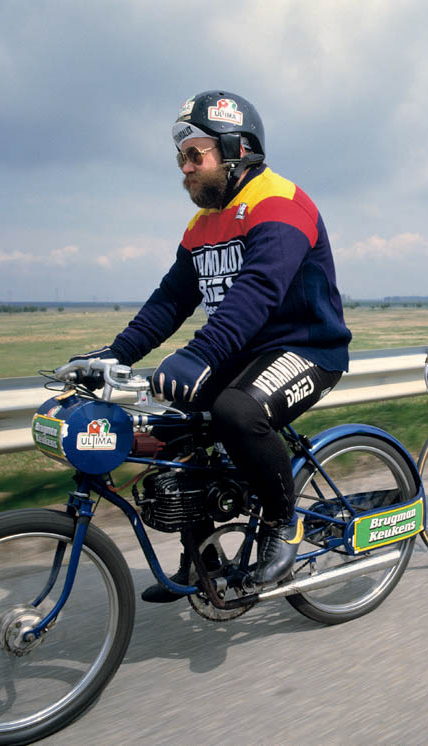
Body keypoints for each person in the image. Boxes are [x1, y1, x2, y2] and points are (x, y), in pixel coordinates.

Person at [71, 90, 351, 599]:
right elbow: (171, 299)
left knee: (237, 414)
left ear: (236, 149)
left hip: (305, 349)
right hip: (242, 353)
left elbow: (260, 288)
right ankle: (202, 556)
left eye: (194, 155)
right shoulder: (202, 225)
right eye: (180, 158)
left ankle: (284, 525)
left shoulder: (280, 203)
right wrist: (116, 354)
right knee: (176, 424)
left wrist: (199, 353)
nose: (184, 169)